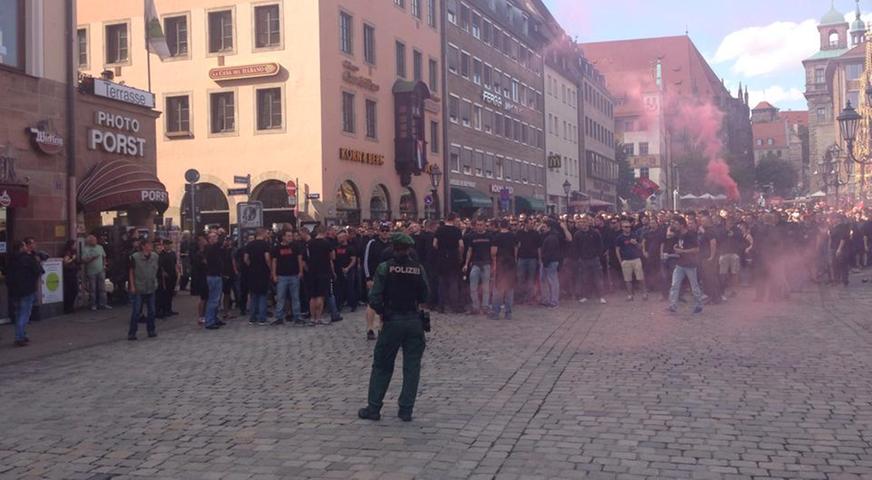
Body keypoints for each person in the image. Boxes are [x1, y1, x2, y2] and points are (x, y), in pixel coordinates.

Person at [358, 233, 429, 423]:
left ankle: (374, 408)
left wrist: (384, 312)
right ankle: (406, 410)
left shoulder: (385, 268)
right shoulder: (418, 268)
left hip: (392, 321)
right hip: (414, 322)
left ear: (393, 247)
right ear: (409, 249)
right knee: (412, 367)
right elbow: (425, 295)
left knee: (382, 365)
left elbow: (374, 298)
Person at [666, 216, 704, 314]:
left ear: (682, 225)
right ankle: (672, 306)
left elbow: (696, 249)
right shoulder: (679, 234)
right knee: (674, 285)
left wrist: (682, 251)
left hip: (690, 265)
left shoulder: (691, 235)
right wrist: (676, 248)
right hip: (680, 264)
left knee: (694, 286)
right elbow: (669, 235)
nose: (674, 225)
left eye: (676, 224)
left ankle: (699, 305)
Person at [8, 238, 42, 346]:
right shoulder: (27, 258)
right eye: (24, 246)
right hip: (27, 289)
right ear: (22, 247)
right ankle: (20, 337)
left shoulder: (11, 258)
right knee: (24, 314)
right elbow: (38, 270)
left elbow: (6, 272)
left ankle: (22, 333)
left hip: (14, 290)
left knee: (18, 313)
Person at [127, 239, 159, 340]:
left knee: (152, 311)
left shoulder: (155, 256)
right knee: (136, 312)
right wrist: (132, 285)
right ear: (143, 246)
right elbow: (131, 272)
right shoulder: (135, 257)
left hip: (151, 286)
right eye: (149, 244)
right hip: (139, 287)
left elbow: (156, 269)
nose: (151, 246)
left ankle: (151, 330)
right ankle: (132, 332)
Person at [271, 229, 304, 325]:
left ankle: (297, 316)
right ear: (283, 237)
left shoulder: (295, 246)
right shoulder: (277, 248)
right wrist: (274, 274)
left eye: (291, 236)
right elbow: (274, 261)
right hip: (282, 276)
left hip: (294, 275)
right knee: (280, 298)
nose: (291, 237)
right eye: (288, 236)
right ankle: (279, 317)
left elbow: (299, 259)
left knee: (295, 297)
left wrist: (301, 271)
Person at [433, 214, 464, 314]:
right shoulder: (456, 230)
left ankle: (441, 306)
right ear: (454, 220)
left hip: (442, 258)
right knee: (453, 282)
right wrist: (460, 255)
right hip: (453, 257)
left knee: (441, 283)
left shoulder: (439, 230)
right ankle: (454, 306)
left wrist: (440, 251)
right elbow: (461, 246)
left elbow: (434, 244)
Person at [574, 216, 607, 304]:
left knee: (598, 279)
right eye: (581, 222)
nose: (583, 224)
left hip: (594, 259)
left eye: (585, 222)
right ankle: (586, 295)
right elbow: (576, 247)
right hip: (583, 260)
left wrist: (597, 254)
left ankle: (601, 296)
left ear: (588, 223)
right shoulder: (577, 234)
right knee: (585, 279)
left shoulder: (595, 232)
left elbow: (600, 245)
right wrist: (579, 257)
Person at [463, 219, 494, 315]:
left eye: (481, 224)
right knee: (473, 287)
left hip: (486, 264)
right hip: (475, 264)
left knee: (486, 287)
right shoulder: (472, 237)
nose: (479, 226)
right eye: (478, 224)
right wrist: (466, 264)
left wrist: (493, 264)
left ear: (485, 226)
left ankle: (485, 306)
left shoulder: (489, 236)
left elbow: (492, 252)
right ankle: (475, 306)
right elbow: (469, 251)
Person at [305, 225, 334, 325]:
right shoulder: (327, 243)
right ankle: (318, 317)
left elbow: (306, 257)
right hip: (324, 271)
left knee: (312, 296)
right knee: (321, 296)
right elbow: (332, 257)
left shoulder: (310, 243)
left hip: (312, 271)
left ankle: (312, 318)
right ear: (325, 232)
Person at [490, 220, 517, 319]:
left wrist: (494, 263)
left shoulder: (496, 237)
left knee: (498, 288)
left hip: (500, 264)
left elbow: (493, 252)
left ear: (500, 226)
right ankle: (508, 313)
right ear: (508, 226)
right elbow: (516, 250)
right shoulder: (513, 236)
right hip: (511, 264)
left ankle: (496, 313)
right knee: (510, 288)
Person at [614, 219, 647, 301]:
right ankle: (630, 295)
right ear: (622, 228)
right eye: (626, 227)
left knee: (640, 278)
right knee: (627, 279)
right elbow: (617, 250)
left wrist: (635, 243)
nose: (628, 228)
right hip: (626, 260)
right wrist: (620, 261)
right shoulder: (619, 238)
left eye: (629, 227)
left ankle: (644, 293)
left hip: (636, 259)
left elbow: (640, 247)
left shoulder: (634, 235)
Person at [244, 228, 272, 325]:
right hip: (263, 272)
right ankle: (262, 318)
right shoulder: (265, 245)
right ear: (263, 234)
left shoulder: (250, 244)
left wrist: (251, 265)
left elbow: (246, 259)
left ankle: (252, 318)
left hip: (252, 272)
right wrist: (270, 269)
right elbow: (267, 258)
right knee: (263, 295)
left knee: (254, 295)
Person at [81, 234, 111, 311]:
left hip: (101, 270)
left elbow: (104, 257)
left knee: (102, 288)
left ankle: (103, 304)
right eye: (93, 240)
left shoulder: (100, 247)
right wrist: (92, 258)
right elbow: (84, 260)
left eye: (95, 240)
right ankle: (93, 304)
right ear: (89, 241)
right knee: (93, 289)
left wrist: (104, 265)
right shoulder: (85, 249)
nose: (95, 241)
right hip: (91, 271)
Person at [515, 219, 541, 304]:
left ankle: (529, 298)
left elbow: (539, 247)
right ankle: (520, 297)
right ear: (525, 224)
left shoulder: (536, 233)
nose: (532, 225)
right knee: (520, 278)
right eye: (530, 223)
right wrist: (516, 258)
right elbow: (516, 246)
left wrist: (539, 259)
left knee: (531, 279)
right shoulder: (519, 233)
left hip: (532, 259)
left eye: (533, 223)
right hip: (522, 258)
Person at [203, 232, 225, 330]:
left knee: (216, 300)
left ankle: (214, 318)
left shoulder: (211, 248)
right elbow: (220, 242)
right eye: (214, 237)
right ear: (210, 239)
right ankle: (209, 321)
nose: (216, 239)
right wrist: (221, 233)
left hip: (215, 275)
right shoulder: (211, 248)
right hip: (213, 276)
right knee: (213, 300)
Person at [156, 239, 179, 318]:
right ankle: (164, 310)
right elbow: (160, 265)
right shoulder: (161, 254)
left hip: (172, 275)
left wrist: (177, 272)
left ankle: (169, 309)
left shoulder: (173, 253)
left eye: (170, 244)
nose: (168, 246)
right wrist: (163, 272)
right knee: (164, 294)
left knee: (170, 293)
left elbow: (175, 263)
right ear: (164, 245)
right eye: (167, 244)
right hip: (165, 277)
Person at [61, 239, 79, 314]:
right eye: (74, 244)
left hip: (72, 273)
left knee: (73, 290)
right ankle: (68, 307)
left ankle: (69, 307)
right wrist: (73, 258)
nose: (75, 246)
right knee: (72, 290)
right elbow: (65, 262)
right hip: (69, 273)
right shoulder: (68, 252)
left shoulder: (72, 252)